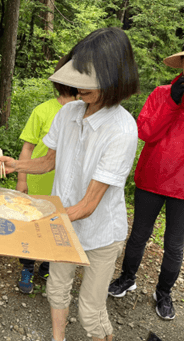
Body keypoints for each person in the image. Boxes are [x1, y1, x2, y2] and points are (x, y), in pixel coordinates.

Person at [0, 27, 139, 341]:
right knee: (56, 289)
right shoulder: (68, 112)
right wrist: (16, 164)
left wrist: (38, 218)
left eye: (88, 82)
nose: (77, 89)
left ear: (115, 78)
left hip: (99, 232)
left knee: (90, 311)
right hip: (63, 223)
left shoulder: (122, 130)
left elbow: (88, 205)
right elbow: (48, 161)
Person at [108, 48, 184, 320]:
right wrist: (172, 103)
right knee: (139, 235)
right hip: (151, 178)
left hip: (183, 189)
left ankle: (163, 293)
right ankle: (127, 278)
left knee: (175, 246)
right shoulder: (162, 94)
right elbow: (146, 132)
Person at [16, 56, 77, 294]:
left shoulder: (86, 113)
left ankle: (47, 266)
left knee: (58, 226)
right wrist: (22, 179)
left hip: (66, 187)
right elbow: (28, 147)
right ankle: (27, 267)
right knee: (32, 227)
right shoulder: (42, 111)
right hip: (39, 181)